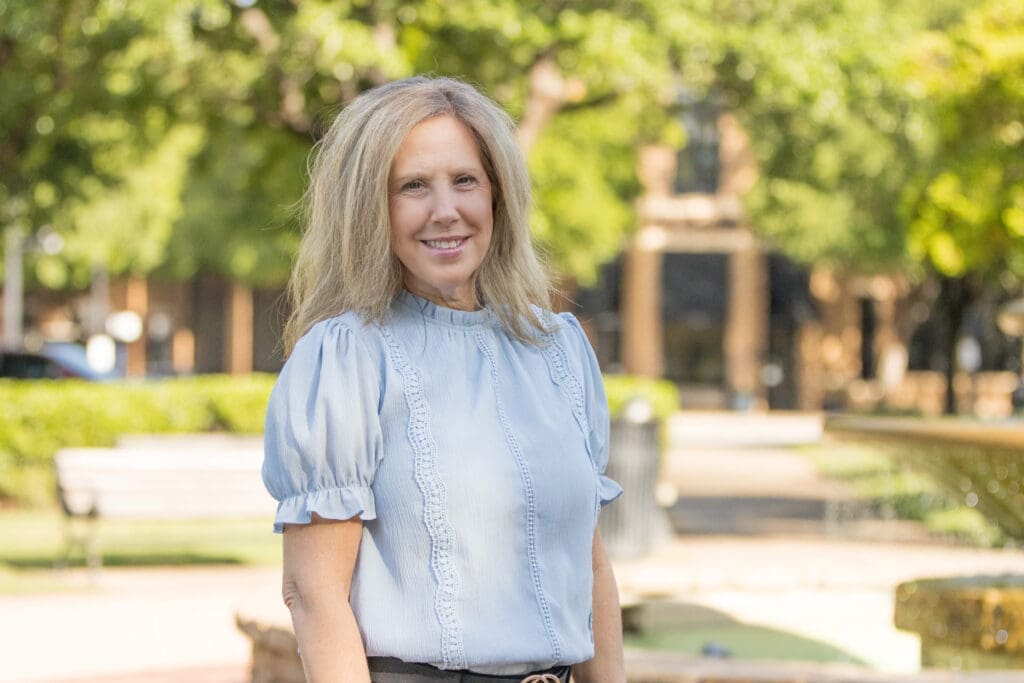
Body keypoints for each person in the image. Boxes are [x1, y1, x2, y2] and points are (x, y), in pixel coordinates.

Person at [262, 75, 625, 683]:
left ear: (496, 195)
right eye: (412, 187)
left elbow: (590, 570)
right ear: (371, 207)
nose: (445, 210)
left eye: (465, 181)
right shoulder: (347, 358)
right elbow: (312, 593)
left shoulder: (560, 350)